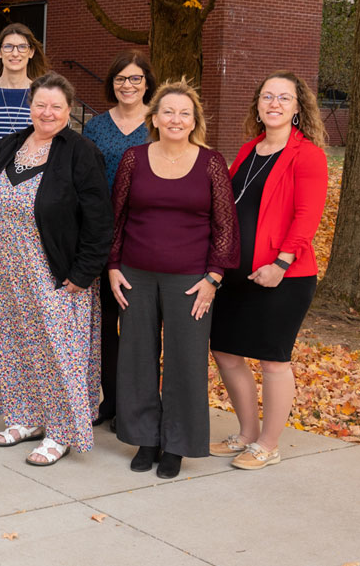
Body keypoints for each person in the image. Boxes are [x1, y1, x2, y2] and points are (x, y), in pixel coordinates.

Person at [107, 79, 238, 479]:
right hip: (135, 275)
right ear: (155, 118)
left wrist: (213, 277)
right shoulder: (134, 158)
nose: (176, 119)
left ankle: (177, 444)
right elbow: (118, 216)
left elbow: (225, 225)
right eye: (168, 112)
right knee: (136, 358)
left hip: (190, 280)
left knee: (185, 360)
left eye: (184, 113)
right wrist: (113, 266)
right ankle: (146, 438)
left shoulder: (210, 162)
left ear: (194, 119)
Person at [0, 72, 112, 465]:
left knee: (58, 351)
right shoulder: (11, 145)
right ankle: (24, 418)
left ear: (68, 110)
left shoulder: (79, 151)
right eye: (41, 104)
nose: (48, 112)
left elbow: (99, 218)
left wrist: (83, 271)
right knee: (15, 344)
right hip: (8, 269)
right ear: (30, 105)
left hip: (56, 272)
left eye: (56, 106)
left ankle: (60, 431)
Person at [209, 71, 328, 470]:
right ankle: (246, 433)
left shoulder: (306, 153)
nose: (274, 103)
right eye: (267, 97)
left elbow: (307, 215)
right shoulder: (247, 150)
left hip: (283, 276)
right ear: (257, 105)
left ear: (298, 107)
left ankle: (269, 444)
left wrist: (281, 262)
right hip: (236, 274)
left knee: (274, 359)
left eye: (283, 98)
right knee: (225, 351)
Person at [0, 22, 50, 410]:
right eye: (8, 46)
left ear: (32, 51)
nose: (15, 53)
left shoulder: (44, 95)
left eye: (22, 46)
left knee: (32, 294)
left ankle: (26, 373)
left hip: (34, 205)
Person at [80, 50, 155, 428]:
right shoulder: (95, 127)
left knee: (140, 324)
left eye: (135, 79)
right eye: (121, 79)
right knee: (106, 324)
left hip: (144, 233)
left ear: (147, 83)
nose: (128, 85)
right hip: (102, 234)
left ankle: (138, 404)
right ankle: (109, 400)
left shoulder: (159, 123)